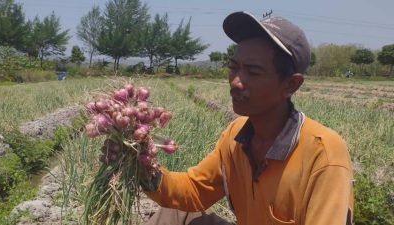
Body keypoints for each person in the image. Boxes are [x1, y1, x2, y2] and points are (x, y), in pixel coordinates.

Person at [143, 11, 354, 225]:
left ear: (290, 85)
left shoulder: (324, 155)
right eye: (234, 67)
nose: (236, 81)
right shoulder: (236, 135)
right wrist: (143, 167)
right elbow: (194, 191)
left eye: (253, 72)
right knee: (175, 215)